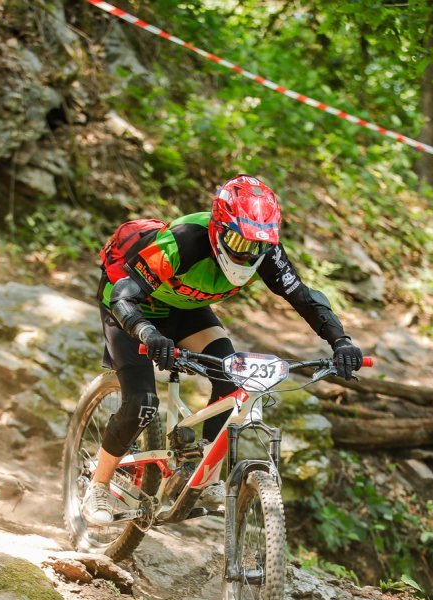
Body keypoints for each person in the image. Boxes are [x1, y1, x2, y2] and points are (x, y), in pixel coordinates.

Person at [83, 174, 363, 525]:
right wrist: (147, 333)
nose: (247, 253)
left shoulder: (266, 253)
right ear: (217, 228)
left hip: (184, 309)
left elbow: (305, 299)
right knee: (142, 402)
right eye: (237, 240)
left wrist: (341, 341)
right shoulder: (185, 241)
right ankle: (98, 484)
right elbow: (125, 295)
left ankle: (204, 473)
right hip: (131, 308)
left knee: (231, 379)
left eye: (257, 245)